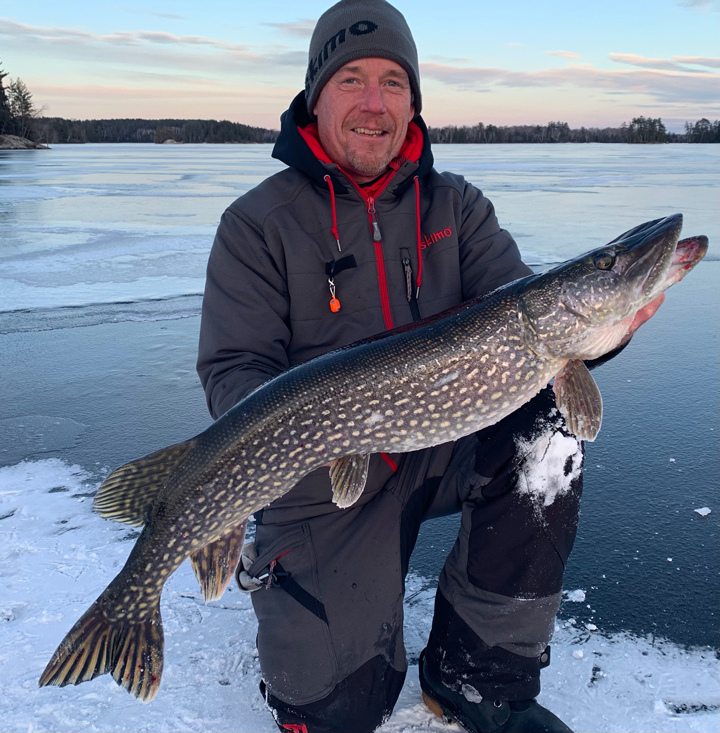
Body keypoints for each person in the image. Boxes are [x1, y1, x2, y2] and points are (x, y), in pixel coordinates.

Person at [197, 2, 662, 731]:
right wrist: (322, 428)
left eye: (392, 82)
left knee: (547, 434)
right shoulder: (259, 225)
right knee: (337, 709)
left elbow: (532, 316)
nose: (373, 103)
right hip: (325, 475)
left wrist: (605, 328)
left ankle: (478, 676)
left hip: (442, 439)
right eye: (351, 80)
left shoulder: (457, 206)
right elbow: (233, 376)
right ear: (315, 95)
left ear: (413, 100)